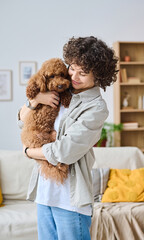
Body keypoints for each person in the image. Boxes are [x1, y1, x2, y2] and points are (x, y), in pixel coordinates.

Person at [18, 36, 118, 240]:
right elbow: (22, 120)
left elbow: (64, 151)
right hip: (45, 194)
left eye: (84, 73)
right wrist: (36, 100)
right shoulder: (60, 90)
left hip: (70, 200)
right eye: (73, 67)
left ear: (98, 76)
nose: (74, 76)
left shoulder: (96, 107)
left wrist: (29, 152)